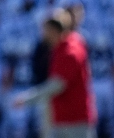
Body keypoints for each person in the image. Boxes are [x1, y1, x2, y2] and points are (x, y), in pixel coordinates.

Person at [15, 10, 97, 138]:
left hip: (75, 120)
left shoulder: (70, 51)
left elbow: (57, 85)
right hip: (63, 118)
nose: (43, 35)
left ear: (54, 30)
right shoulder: (60, 48)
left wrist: (27, 99)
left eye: (46, 30)